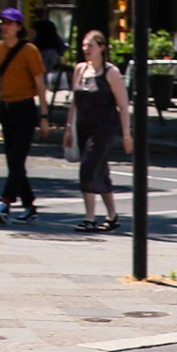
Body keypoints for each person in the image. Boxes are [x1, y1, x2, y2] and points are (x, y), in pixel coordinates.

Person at [0, 7, 45, 225]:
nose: (4, 27)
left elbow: (40, 84)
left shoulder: (29, 51)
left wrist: (44, 116)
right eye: (3, 22)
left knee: (17, 158)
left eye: (9, 23)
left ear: (19, 27)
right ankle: (29, 206)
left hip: (26, 109)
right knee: (13, 161)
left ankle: (6, 204)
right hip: (6, 109)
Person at [63, 29, 131, 232]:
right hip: (84, 125)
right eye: (84, 45)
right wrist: (68, 127)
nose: (86, 49)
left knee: (88, 167)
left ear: (101, 48)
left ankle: (89, 218)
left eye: (90, 45)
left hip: (104, 128)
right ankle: (112, 215)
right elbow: (74, 101)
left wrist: (127, 134)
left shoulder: (111, 73)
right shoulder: (80, 70)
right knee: (100, 171)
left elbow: (123, 105)